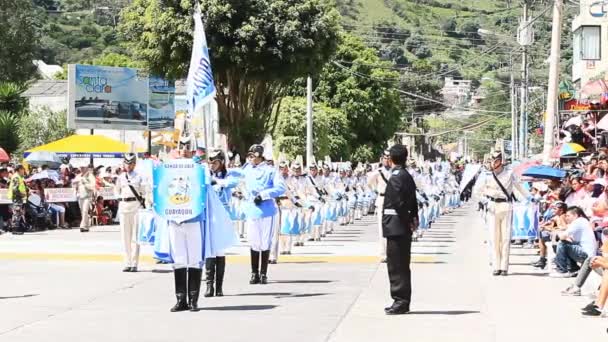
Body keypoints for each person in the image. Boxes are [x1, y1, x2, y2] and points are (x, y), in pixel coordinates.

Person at [476, 151, 529, 276]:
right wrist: (484, 199)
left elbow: (520, 187)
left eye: (496, 160)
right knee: (494, 238)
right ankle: (496, 266)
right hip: (492, 206)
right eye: (492, 160)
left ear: (501, 161)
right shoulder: (486, 174)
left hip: (506, 205)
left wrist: (529, 198)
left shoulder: (510, 173)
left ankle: (504, 267)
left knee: (505, 238)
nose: (494, 162)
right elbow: (477, 191)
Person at [241, 144, 286, 284]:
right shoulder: (246, 169)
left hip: (267, 210)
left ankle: (263, 273)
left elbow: (280, 188)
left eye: (253, 155)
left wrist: (264, 195)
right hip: (252, 210)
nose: (250, 158)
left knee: (265, 242)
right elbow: (239, 181)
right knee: (254, 242)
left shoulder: (271, 171)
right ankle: (254, 273)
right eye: (249, 155)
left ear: (260, 155)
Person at [382, 144, 418, 315]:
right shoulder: (406, 175)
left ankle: (400, 300)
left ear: (391, 159)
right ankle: (402, 300)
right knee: (402, 264)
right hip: (401, 225)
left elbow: (399, 203)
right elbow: (413, 199)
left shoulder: (396, 177)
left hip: (396, 225)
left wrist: (408, 220)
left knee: (397, 265)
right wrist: (413, 217)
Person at [205, 148, 242, 297]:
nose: (212, 165)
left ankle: (218, 286)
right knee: (209, 250)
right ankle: (209, 286)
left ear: (221, 162)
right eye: (210, 162)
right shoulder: (206, 175)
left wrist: (218, 181)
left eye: (215, 162)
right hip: (209, 214)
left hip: (223, 216)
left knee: (220, 251)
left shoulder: (228, 175)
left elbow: (233, 182)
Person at [114, 154, 145, 272]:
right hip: (123, 207)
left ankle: (134, 263)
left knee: (135, 237)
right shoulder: (121, 177)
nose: (128, 165)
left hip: (136, 207)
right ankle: (127, 262)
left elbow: (144, 192)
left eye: (131, 163)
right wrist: (118, 198)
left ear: (134, 164)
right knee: (125, 237)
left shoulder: (139, 177)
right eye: (126, 163)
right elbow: (116, 190)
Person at [550, 206, 597, 278]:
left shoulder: (578, 221)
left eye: (568, 216)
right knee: (566, 244)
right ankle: (573, 269)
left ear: (575, 215)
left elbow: (563, 236)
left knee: (562, 243)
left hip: (586, 255)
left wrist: (557, 235)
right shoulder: (582, 221)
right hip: (587, 254)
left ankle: (562, 270)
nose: (566, 218)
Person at [368, 150, 392, 262]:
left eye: (389, 158)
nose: (387, 160)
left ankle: (391, 252)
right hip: (382, 199)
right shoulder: (377, 172)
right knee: (382, 228)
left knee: (392, 227)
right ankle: (383, 254)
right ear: (382, 159)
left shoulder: (395, 171)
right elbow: (369, 183)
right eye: (385, 158)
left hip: (393, 201)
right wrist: (375, 191)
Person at [7, 165, 27, 235]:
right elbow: (15, 189)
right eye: (23, 169)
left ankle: (16, 228)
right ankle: (15, 229)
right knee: (16, 213)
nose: (23, 171)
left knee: (18, 213)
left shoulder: (19, 177)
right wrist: (21, 194)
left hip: (18, 198)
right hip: (17, 197)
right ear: (19, 169)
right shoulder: (16, 177)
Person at [76, 166, 95, 232]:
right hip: (80, 196)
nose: (81, 169)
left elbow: (92, 186)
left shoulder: (90, 176)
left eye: (83, 168)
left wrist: (85, 183)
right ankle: (86, 226)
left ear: (86, 168)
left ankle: (82, 226)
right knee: (82, 212)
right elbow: (74, 184)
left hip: (87, 196)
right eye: (80, 168)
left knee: (85, 210)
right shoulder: (78, 176)